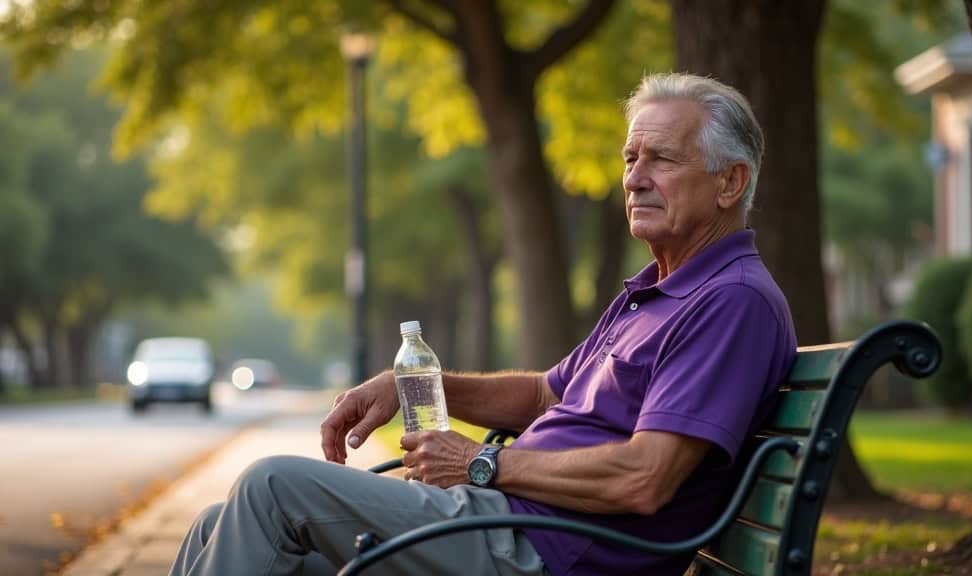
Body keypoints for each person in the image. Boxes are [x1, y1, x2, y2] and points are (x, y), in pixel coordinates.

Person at [170, 73, 797, 576]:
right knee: (215, 525)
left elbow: (645, 478)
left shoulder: (729, 303)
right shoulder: (658, 290)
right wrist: (410, 387)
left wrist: (481, 464)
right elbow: (546, 394)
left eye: (661, 158)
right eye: (630, 157)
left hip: (540, 550)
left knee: (272, 488)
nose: (634, 177)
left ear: (729, 182)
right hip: (503, 523)